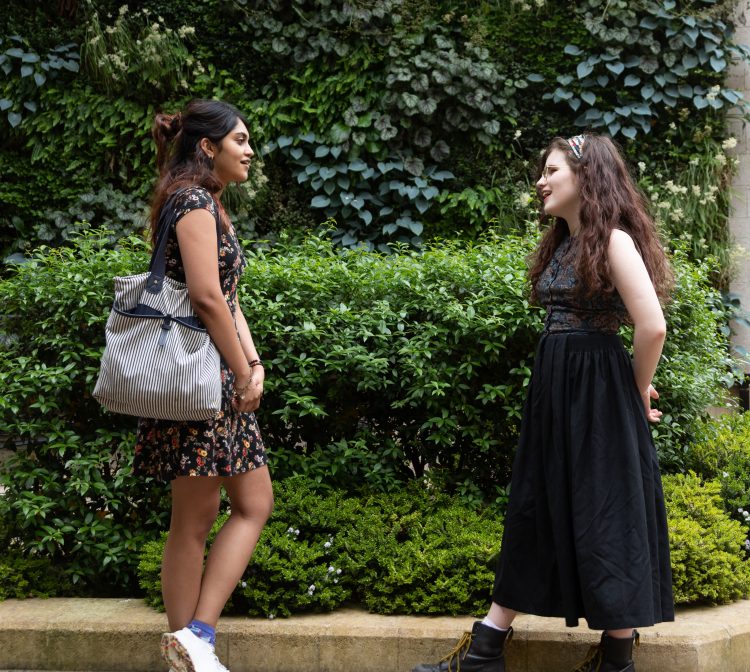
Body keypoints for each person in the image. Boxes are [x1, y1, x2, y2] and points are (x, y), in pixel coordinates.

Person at [412, 134, 674, 672]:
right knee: (536, 506)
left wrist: (633, 387)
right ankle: (487, 648)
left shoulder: (614, 242)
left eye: (551, 170)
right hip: (559, 390)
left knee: (605, 514)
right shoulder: (563, 243)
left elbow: (652, 326)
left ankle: (614, 662)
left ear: (585, 176)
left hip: (598, 394)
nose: (541, 180)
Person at [133, 99, 273, 672]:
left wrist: (254, 363)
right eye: (240, 139)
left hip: (223, 378)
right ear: (208, 146)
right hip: (199, 381)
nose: (249, 149)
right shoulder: (191, 200)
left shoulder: (210, 203)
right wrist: (241, 372)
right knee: (195, 517)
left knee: (252, 503)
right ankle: (188, 643)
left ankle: (195, 635)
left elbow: (229, 295)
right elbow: (206, 298)